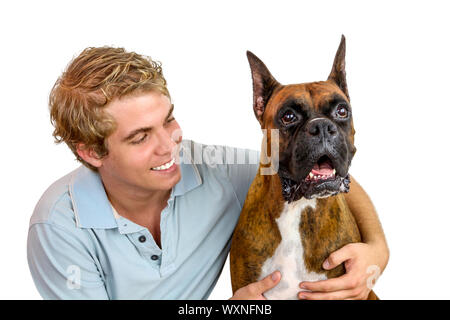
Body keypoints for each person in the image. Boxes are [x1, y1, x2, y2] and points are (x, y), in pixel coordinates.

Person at [27, 46, 389, 300]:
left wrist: (377, 250)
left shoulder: (211, 169)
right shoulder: (59, 226)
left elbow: (311, 169)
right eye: (140, 138)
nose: (169, 146)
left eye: (168, 120)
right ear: (92, 152)